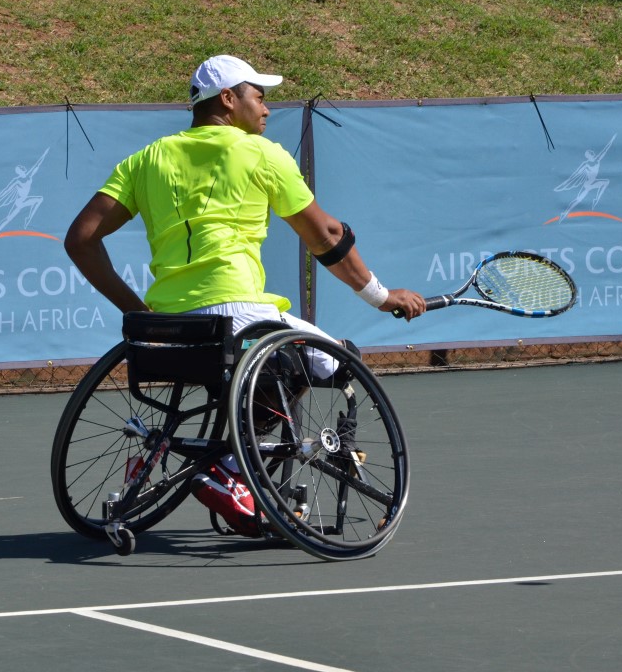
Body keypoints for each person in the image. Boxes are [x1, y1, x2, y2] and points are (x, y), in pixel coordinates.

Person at [65, 54, 425, 535]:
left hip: (169, 330)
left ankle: (174, 461)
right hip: (238, 317)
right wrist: (382, 297)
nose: (267, 109)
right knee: (334, 360)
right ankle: (230, 468)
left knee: (272, 359)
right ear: (228, 100)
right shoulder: (262, 154)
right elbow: (326, 235)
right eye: (259, 96)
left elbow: (81, 239)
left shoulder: (146, 159)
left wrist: (142, 316)